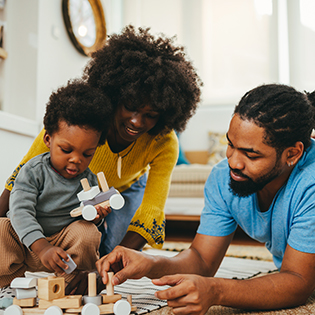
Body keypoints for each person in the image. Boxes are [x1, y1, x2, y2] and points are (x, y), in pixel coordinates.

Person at [96, 84, 315, 314]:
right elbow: (201, 260)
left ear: (293, 153)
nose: (233, 162)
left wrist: (217, 291)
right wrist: (150, 263)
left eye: (250, 155)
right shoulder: (224, 178)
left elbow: (298, 282)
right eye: (230, 145)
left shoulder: (310, 182)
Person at [0, 25, 202, 258]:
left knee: (109, 253)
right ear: (115, 95)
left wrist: (112, 263)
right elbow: (20, 175)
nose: (137, 122)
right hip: (80, 186)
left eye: (151, 115)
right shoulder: (79, 120)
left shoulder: (164, 143)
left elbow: (151, 212)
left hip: (128, 189)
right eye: (130, 106)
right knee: (83, 244)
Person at [0, 79, 113, 304]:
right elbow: (20, 211)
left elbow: (86, 219)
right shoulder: (33, 171)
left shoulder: (88, 180)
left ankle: (75, 284)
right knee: (2, 228)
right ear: (48, 140)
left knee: (88, 232)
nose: (76, 160)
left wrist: (97, 215)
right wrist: (41, 247)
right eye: (66, 149)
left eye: (87, 154)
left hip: (63, 247)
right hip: (27, 242)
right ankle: (8, 285)